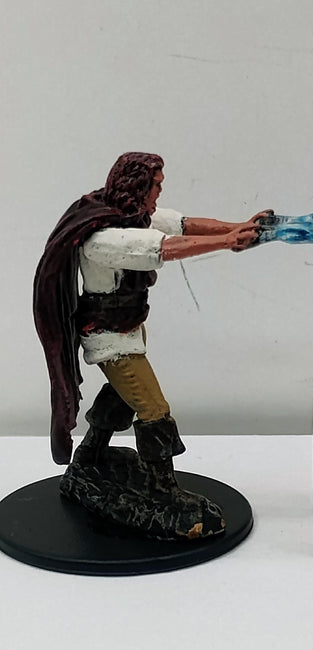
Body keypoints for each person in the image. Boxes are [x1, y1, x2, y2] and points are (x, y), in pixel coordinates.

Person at [34, 151, 267, 537]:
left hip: (127, 329)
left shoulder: (132, 216)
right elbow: (164, 248)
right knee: (154, 409)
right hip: (110, 338)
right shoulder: (104, 237)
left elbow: (183, 224)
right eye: (155, 185)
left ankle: (91, 452)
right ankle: (163, 489)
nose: (159, 192)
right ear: (138, 187)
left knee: (123, 395)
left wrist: (238, 227)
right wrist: (228, 241)